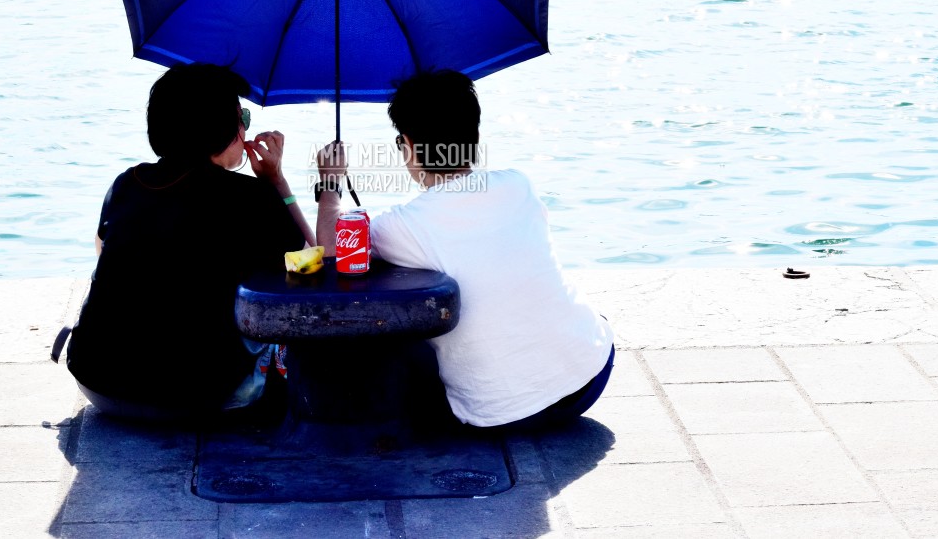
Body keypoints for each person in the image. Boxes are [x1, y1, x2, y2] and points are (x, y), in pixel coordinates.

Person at [318, 70, 614, 430]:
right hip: (590, 376)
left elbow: (333, 249)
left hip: (502, 414)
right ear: (473, 136)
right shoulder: (519, 185)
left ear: (408, 146)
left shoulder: (404, 225)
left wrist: (331, 180)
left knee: (397, 338)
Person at [66, 63, 315, 422]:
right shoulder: (249, 196)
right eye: (241, 116)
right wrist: (277, 183)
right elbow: (309, 267)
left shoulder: (128, 183)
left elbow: (104, 251)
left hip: (98, 382)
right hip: (198, 395)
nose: (245, 128)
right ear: (221, 128)